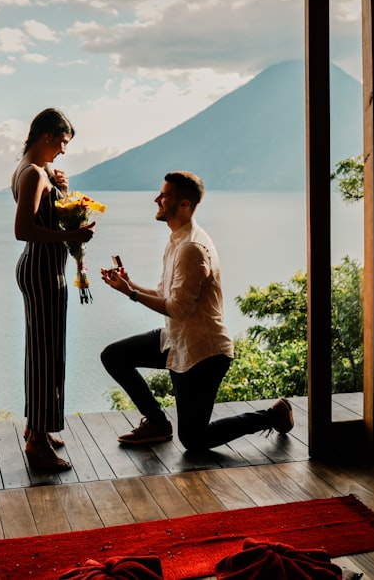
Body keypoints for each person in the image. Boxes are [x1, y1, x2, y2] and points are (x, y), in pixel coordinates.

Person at [99, 171, 294, 451]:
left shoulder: (191, 248)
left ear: (184, 204)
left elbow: (177, 308)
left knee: (194, 439)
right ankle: (156, 422)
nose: (157, 199)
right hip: (177, 340)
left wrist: (130, 294)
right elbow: (167, 294)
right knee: (114, 356)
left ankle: (272, 415)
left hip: (204, 351)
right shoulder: (177, 241)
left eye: (164, 196)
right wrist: (130, 284)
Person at [12, 108, 96, 472]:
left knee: (42, 352)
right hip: (43, 270)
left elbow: (49, 210)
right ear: (47, 136)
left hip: (41, 268)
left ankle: (38, 426)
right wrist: (71, 236)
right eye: (62, 142)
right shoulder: (32, 174)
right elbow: (23, 229)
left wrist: (61, 187)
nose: (63, 150)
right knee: (48, 357)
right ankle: (36, 444)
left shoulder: (33, 170)